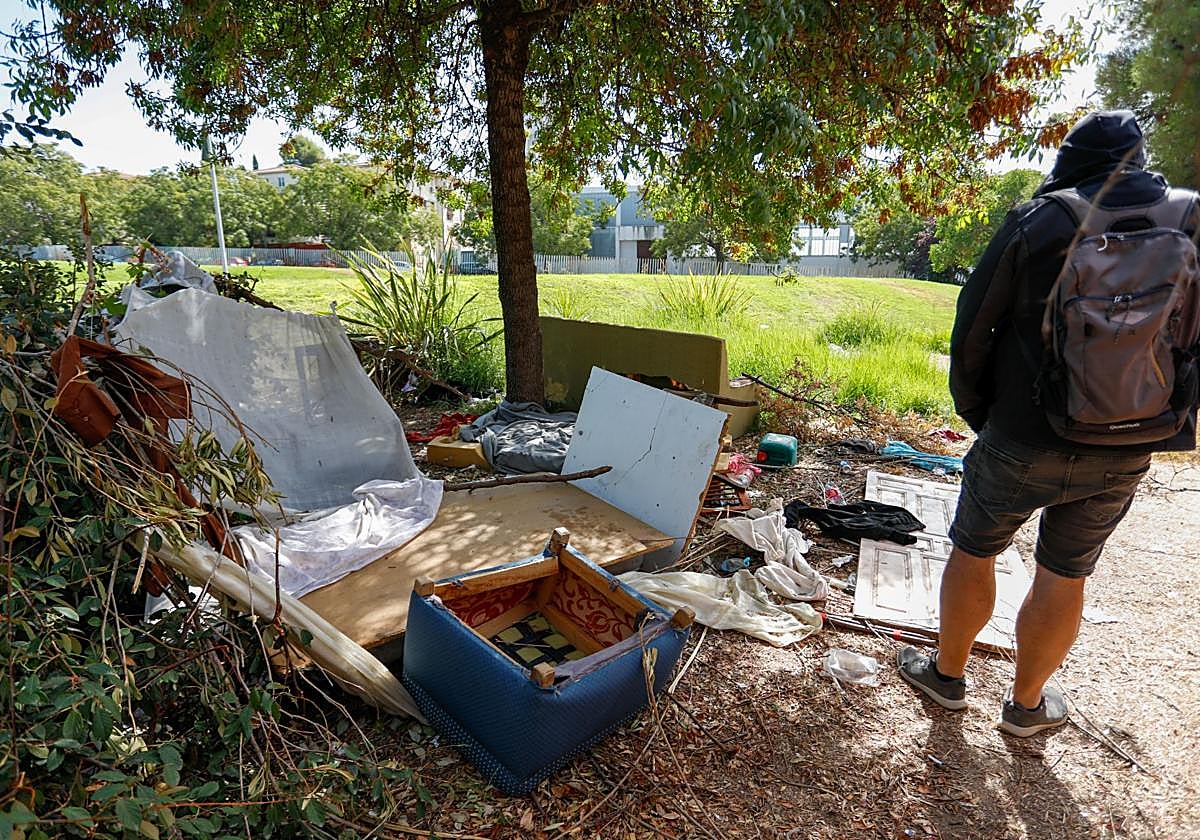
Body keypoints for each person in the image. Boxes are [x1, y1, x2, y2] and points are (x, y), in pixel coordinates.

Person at [897, 110, 1200, 736]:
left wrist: (979, 412)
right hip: (1130, 439)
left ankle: (947, 677)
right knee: (1066, 572)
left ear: (1070, 161)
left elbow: (973, 324)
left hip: (1022, 433)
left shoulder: (1041, 219)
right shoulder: (1191, 219)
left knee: (975, 549)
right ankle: (1028, 707)